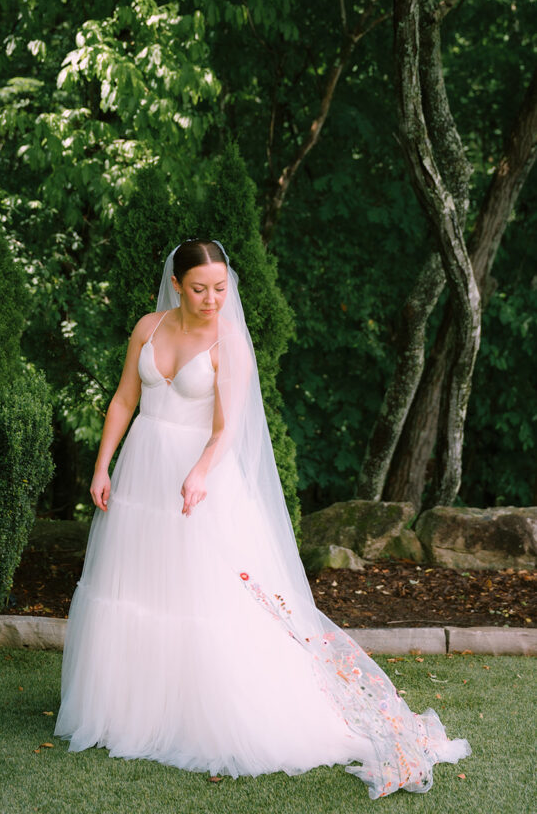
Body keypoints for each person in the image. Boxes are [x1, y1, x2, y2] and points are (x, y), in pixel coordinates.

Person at [54, 239, 470, 798]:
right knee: (138, 591)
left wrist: (201, 471)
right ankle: (132, 710)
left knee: (205, 601)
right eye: (200, 289)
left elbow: (228, 428)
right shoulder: (148, 327)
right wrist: (102, 464)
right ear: (176, 284)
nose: (212, 299)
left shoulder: (231, 343)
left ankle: (207, 711)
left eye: (221, 289)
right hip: (141, 477)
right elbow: (125, 400)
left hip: (201, 482)